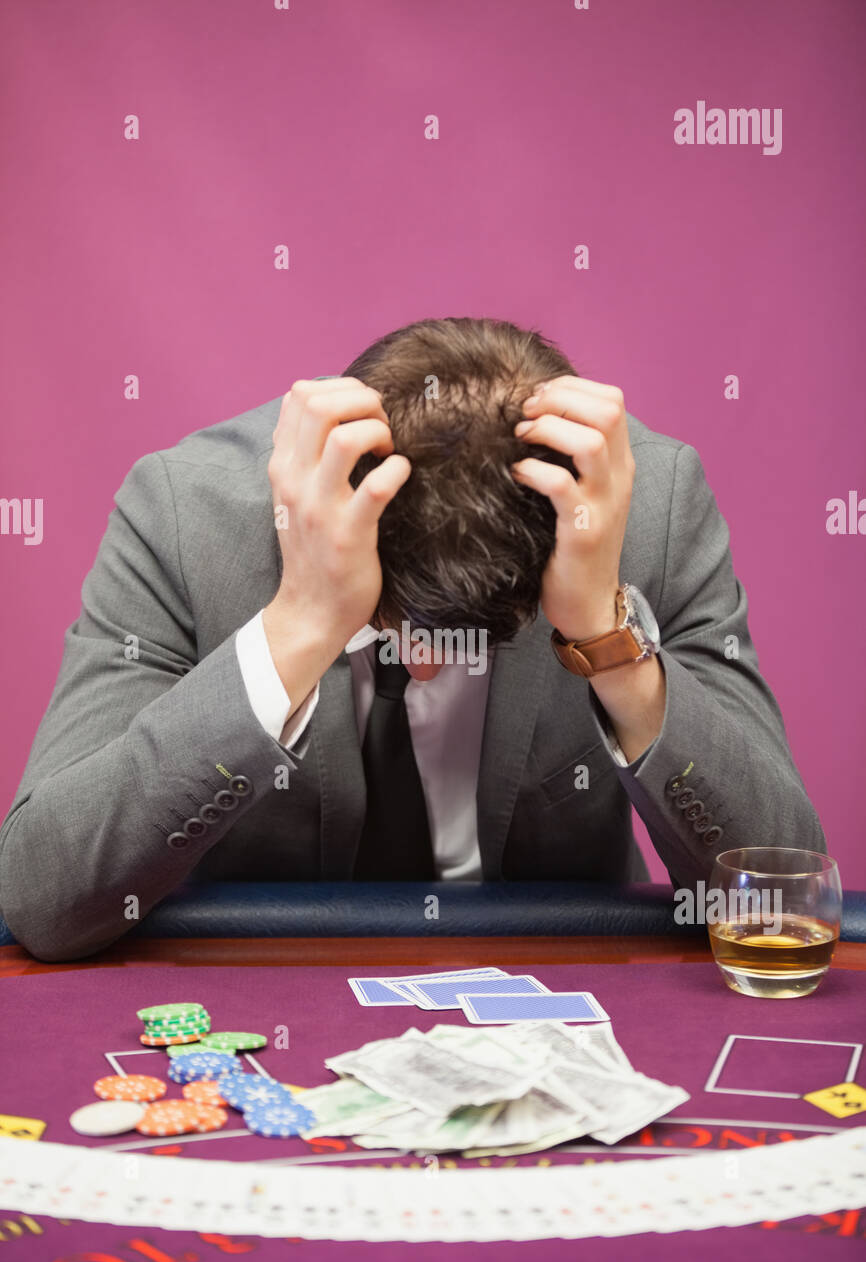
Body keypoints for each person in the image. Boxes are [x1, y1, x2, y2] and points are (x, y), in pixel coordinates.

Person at [0, 317, 825, 960]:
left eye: (486, 641)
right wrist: (304, 622)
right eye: (393, 627)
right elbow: (43, 898)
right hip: (261, 980)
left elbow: (781, 902)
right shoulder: (184, 513)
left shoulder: (646, 511)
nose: (430, 668)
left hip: (560, 984)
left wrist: (608, 637)